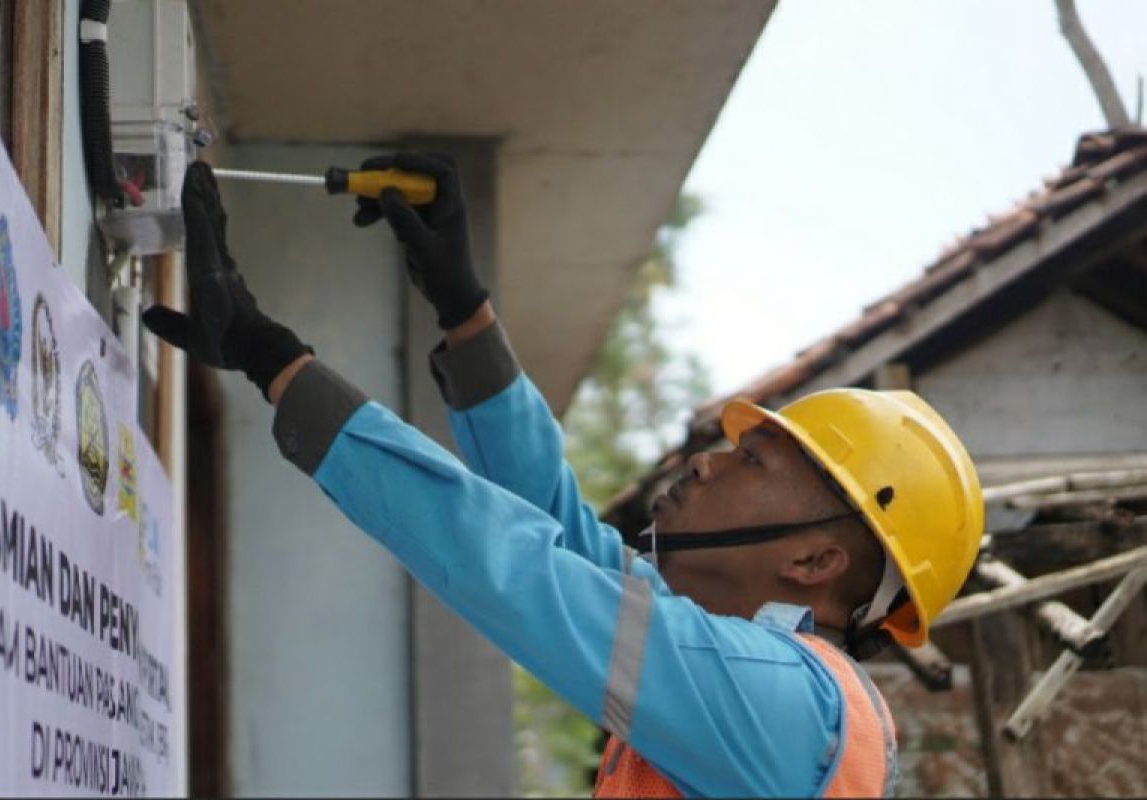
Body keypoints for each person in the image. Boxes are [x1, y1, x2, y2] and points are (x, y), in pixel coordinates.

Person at [144, 157, 984, 798]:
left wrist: (275, 360)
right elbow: (550, 523)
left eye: (752, 459)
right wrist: (463, 309)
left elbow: (520, 571)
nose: (705, 458)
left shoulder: (785, 701)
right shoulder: (740, 671)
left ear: (813, 563)